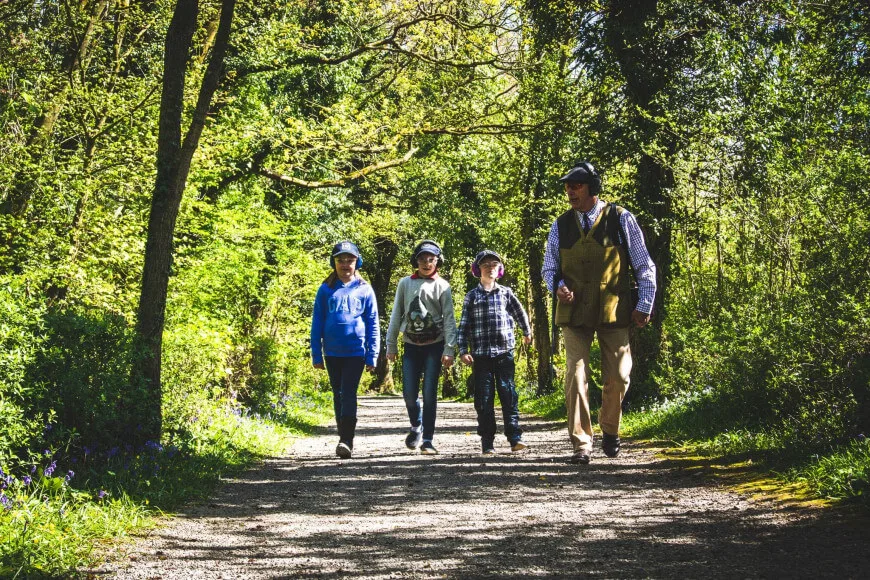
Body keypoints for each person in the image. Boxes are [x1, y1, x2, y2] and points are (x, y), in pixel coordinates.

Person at [542, 162, 656, 465]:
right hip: (574, 313)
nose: (570, 191)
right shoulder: (560, 225)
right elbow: (549, 267)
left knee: (618, 376)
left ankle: (610, 430)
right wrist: (559, 285)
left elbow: (644, 265)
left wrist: (644, 304)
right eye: (567, 186)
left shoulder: (621, 219)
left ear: (592, 187)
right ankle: (581, 443)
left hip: (614, 310)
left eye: (576, 185)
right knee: (575, 376)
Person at [386, 240, 457, 455]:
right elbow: (396, 313)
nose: (427, 263)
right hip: (410, 344)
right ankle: (416, 425)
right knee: (409, 393)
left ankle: (427, 439)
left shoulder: (442, 285)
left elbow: (449, 319)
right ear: (415, 261)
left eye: (431, 259)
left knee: (429, 394)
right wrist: (391, 344)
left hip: (434, 346)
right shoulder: (405, 283)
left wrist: (450, 348)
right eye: (422, 259)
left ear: (438, 261)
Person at [458, 250, 532, 455]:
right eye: (486, 264)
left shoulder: (506, 293)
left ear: (499, 269)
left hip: (504, 352)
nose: (490, 267)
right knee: (484, 399)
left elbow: (519, 312)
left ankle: (515, 437)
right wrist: (463, 350)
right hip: (480, 355)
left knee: (508, 393)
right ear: (478, 269)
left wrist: (527, 331)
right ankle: (487, 441)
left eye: (494, 264)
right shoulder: (471, 297)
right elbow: (464, 325)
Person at [310, 241, 380, 459]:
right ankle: (343, 435)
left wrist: (373, 354)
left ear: (357, 262)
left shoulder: (364, 289)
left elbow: (373, 323)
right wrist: (316, 353)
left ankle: (346, 440)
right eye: (341, 260)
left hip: (355, 352)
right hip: (332, 352)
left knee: (348, 392)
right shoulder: (326, 289)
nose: (345, 264)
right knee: (338, 393)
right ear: (334, 263)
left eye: (350, 260)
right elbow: (317, 322)